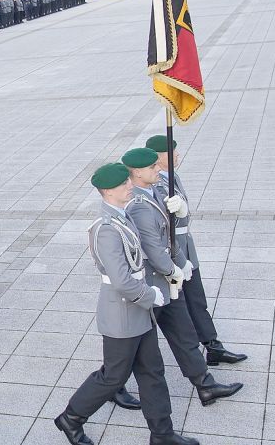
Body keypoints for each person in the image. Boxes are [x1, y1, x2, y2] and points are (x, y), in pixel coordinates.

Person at [55, 163, 196, 445]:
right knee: (113, 376)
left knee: (152, 372)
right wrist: (151, 296)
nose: (129, 185)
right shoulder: (105, 228)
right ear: (108, 191)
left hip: (139, 311)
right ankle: (71, 417)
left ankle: (162, 434)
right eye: (123, 185)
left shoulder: (122, 216)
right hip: (122, 313)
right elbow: (120, 280)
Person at [121, 148, 243, 406]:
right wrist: (173, 269)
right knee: (130, 347)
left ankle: (205, 385)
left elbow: (171, 234)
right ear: (138, 172)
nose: (158, 170)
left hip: (167, 284)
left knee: (184, 334)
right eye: (153, 167)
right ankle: (110, 385)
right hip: (153, 287)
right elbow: (154, 247)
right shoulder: (140, 205)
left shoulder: (154, 192)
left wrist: (181, 263)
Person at [145, 136, 246, 366]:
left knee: (196, 299)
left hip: (184, 248)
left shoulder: (171, 176)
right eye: (172, 152)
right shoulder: (157, 184)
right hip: (171, 252)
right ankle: (114, 374)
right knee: (151, 319)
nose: (177, 155)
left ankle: (212, 345)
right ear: (157, 157)